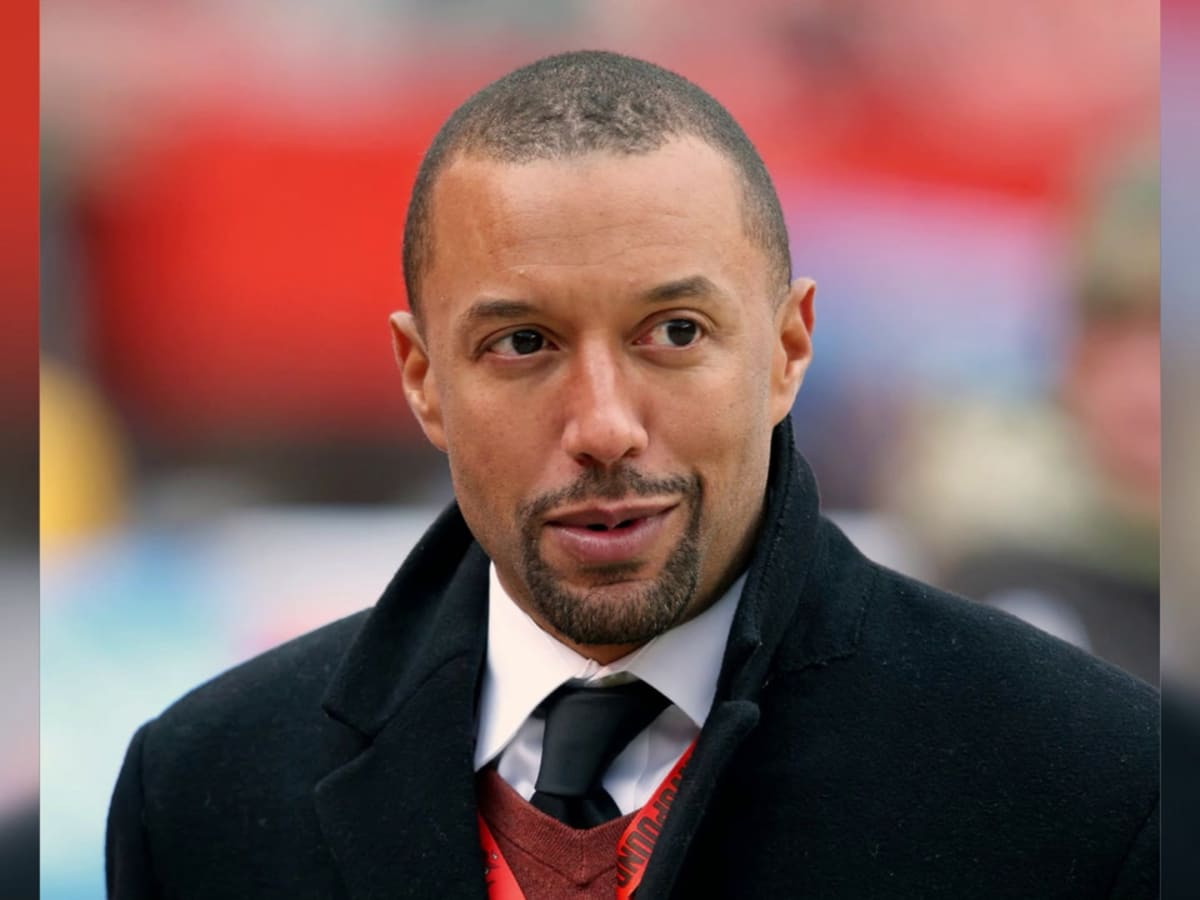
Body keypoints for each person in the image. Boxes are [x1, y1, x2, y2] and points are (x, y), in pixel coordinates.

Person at [106, 51, 1158, 899]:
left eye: (674, 331)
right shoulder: (203, 788)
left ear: (790, 348)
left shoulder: (1088, 781)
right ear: (421, 380)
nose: (604, 427)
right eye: (522, 344)